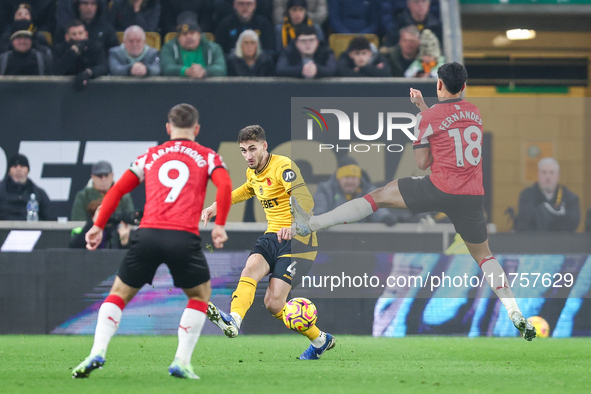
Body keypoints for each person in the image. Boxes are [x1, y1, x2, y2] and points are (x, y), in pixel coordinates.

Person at [291, 62, 537, 341]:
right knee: (484, 256)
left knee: (379, 195)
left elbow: (422, 163)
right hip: (471, 196)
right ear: (464, 87)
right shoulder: (475, 112)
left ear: (439, 85)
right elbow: (450, 124)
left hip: (439, 187)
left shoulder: (428, 119)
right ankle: (514, 310)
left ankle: (312, 224)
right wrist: (425, 109)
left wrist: (423, 117)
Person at [72, 103, 232, 379]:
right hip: (183, 236)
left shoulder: (150, 155)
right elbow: (226, 186)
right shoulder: (208, 156)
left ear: (168, 128)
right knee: (199, 295)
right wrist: (219, 225)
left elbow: (117, 190)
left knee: (118, 294)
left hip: (147, 234)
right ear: (197, 128)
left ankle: (97, 351)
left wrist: (98, 226)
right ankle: (181, 362)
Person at [201, 125, 336, 360]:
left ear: (264, 146)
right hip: (272, 236)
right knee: (251, 267)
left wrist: (295, 225)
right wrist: (216, 205)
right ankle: (234, 321)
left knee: (274, 304)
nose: (248, 156)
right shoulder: (253, 172)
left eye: (252, 149)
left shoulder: (283, 167)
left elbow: (306, 200)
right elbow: (247, 190)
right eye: (243, 151)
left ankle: (320, 339)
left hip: (299, 241)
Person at [314, 157, 397, 225]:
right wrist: (322, 219)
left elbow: (377, 206)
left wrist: (385, 217)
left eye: (354, 178)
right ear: (338, 179)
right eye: (346, 177)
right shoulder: (326, 190)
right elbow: (320, 206)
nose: (350, 182)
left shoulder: (367, 190)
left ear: (359, 180)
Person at [513, 158, 580, 232]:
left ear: (558, 175)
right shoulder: (527, 195)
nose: (548, 176)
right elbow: (525, 219)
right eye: (544, 172)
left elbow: (574, 221)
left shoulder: (570, 197)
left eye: (551, 172)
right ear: (538, 175)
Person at [161, 13, 226, 78]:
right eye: (184, 34)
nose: (188, 37)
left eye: (192, 33)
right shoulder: (169, 47)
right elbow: (167, 68)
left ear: (199, 35)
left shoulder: (213, 48)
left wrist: (204, 71)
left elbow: (221, 69)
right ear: (178, 38)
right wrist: (186, 71)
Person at [51, 20, 108, 90]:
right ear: (67, 37)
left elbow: (103, 67)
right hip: (63, 90)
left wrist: (88, 72)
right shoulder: (59, 49)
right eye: (74, 34)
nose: (78, 37)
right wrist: (72, 53)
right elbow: (55, 70)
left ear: (86, 35)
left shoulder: (96, 47)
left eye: (80, 33)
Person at [71, 160, 135, 221]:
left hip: (118, 231)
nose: (103, 179)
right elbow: (78, 222)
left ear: (112, 176)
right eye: (100, 176)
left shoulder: (123, 195)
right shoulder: (83, 196)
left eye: (106, 175)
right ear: (93, 177)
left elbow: (130, 219)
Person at [0, 153, 54, 221]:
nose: (18, 169)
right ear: (9, 171)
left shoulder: (38, 193)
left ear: (28, 170)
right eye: (14, 166)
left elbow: (51, 219)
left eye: (22, 166)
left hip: (32, 231)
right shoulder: (1, 191)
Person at [54, 0, 119, 53]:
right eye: (85, 3)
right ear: (78, 5)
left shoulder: (107, 29)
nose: (89, 7)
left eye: (93, 4)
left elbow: (113, 55)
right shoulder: (67, 27)